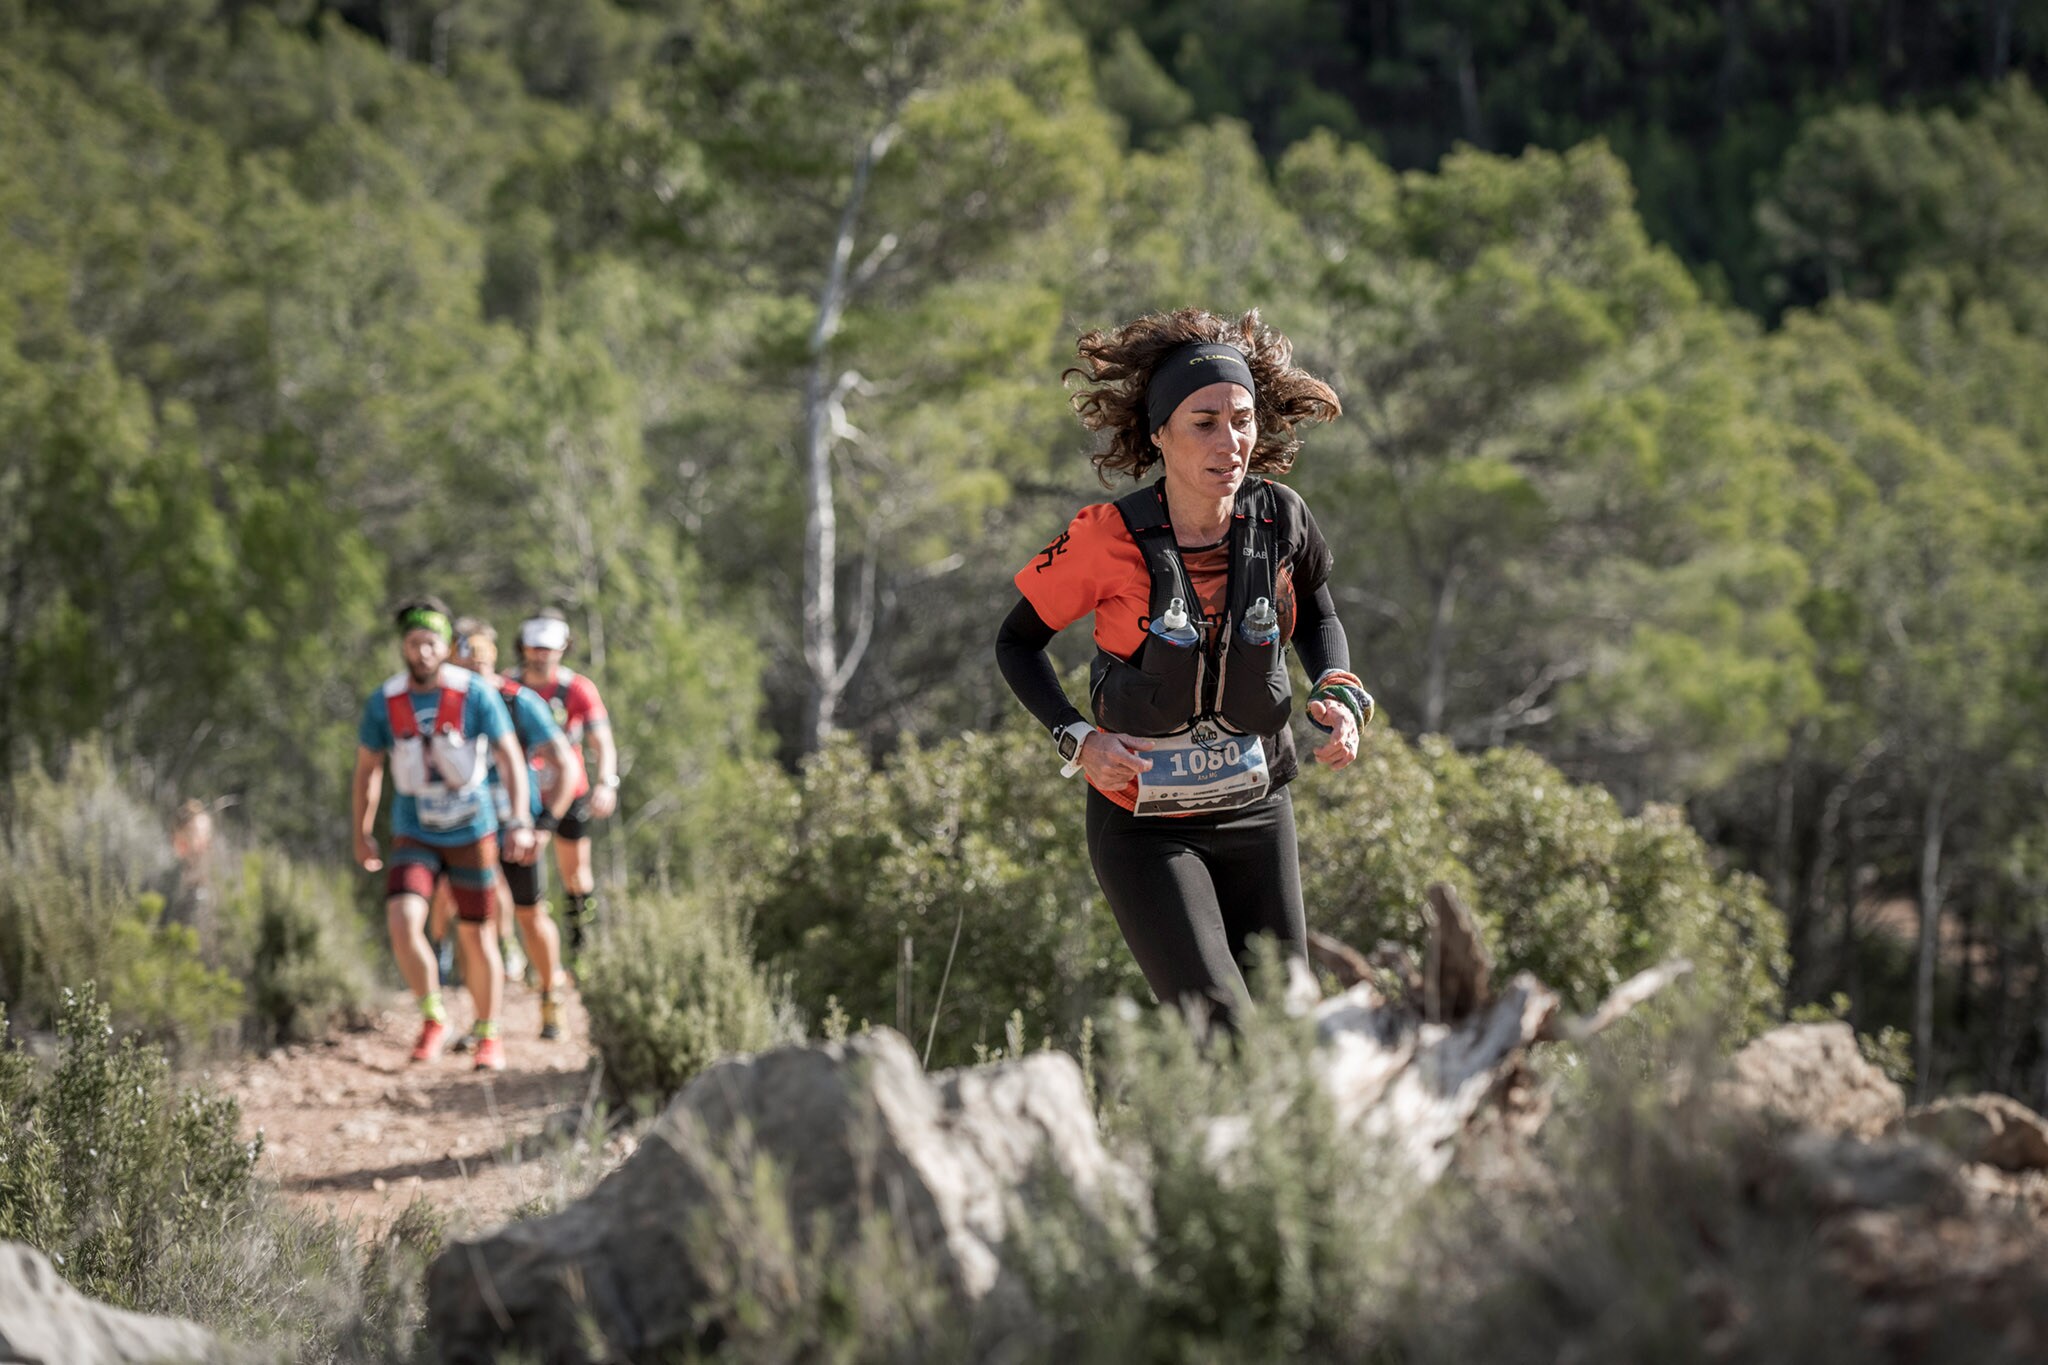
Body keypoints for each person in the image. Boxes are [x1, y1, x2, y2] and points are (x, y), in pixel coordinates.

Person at [995, 308, 1373, 1033]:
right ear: (1159, 432)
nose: (1228, 442)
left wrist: (1338, 692)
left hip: (1259, 811)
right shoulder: (1105, 538)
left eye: (1241, 419)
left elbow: (1321, 619)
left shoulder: (1282, 519)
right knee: (1225, 1031)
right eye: (1203, 422)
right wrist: (1077, 738)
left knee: (1289, 1031)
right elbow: (1017, 642)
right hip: (1145, 825)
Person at [352, 597, 536, 1070]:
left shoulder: (474, 693)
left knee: (477, 936)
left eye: (431, 642)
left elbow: (511, 756)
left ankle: (488, 1033)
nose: (423, 651)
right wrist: (362, 830)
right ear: (404, 647)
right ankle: (434, 1017)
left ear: (446, 646)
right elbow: (368, 770)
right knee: (402, 920)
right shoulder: (385, 701)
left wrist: (518, 819)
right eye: (414, 642)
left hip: (473, 831)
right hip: (415, 831)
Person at [447, 619, 579, 1041]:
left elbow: (567, 764)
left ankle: (550, 998)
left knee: (531, 914)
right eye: (468, 663)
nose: (476, 673)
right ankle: (483, 1020)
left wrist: (543, 827)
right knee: (473, 925)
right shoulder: (445, 703)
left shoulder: (518, 702)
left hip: (516, 829)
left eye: (483, 663)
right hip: (467, 830)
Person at [515, 609, 618, 960]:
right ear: (524, 647)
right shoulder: (507, 686)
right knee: (516, 879)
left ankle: (581, 950)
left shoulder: (578, 689)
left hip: (569, 795)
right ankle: (525, 955)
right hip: (521, 797)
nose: (541, 654)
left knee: (575, 874)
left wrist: (606, 782)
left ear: (563, 648)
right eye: (535, 647)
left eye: (549, 647)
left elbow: (602, 741)